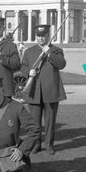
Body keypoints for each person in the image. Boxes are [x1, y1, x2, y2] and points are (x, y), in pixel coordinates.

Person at [21, 24, 67, 155]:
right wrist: (28, 72)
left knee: (50, 121)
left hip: (51, 91)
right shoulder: (29, 52)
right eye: (39, 36)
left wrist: (49, 54)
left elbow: (61, 64)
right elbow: (23, 67)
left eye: (44, 36)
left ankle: (49, 145)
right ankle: (36, 145)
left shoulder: (56, 50)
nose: (41, 39)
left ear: (48, 36)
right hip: (34, 91)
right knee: (35, 122)